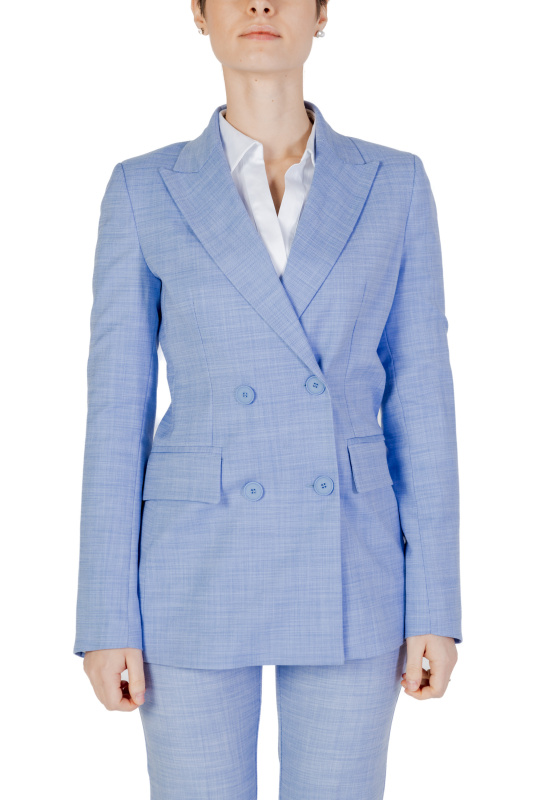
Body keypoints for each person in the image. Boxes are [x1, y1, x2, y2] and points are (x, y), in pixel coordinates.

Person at [73, 1, 462, 798]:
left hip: (350, 557)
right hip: (191, 563)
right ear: (199, 13)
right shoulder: (144, 189)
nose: (259, 4)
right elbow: (116, 414)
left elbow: (421, 402)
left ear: (320, 13)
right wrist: (106, 615)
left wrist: (434, 602)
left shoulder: (393, 183)